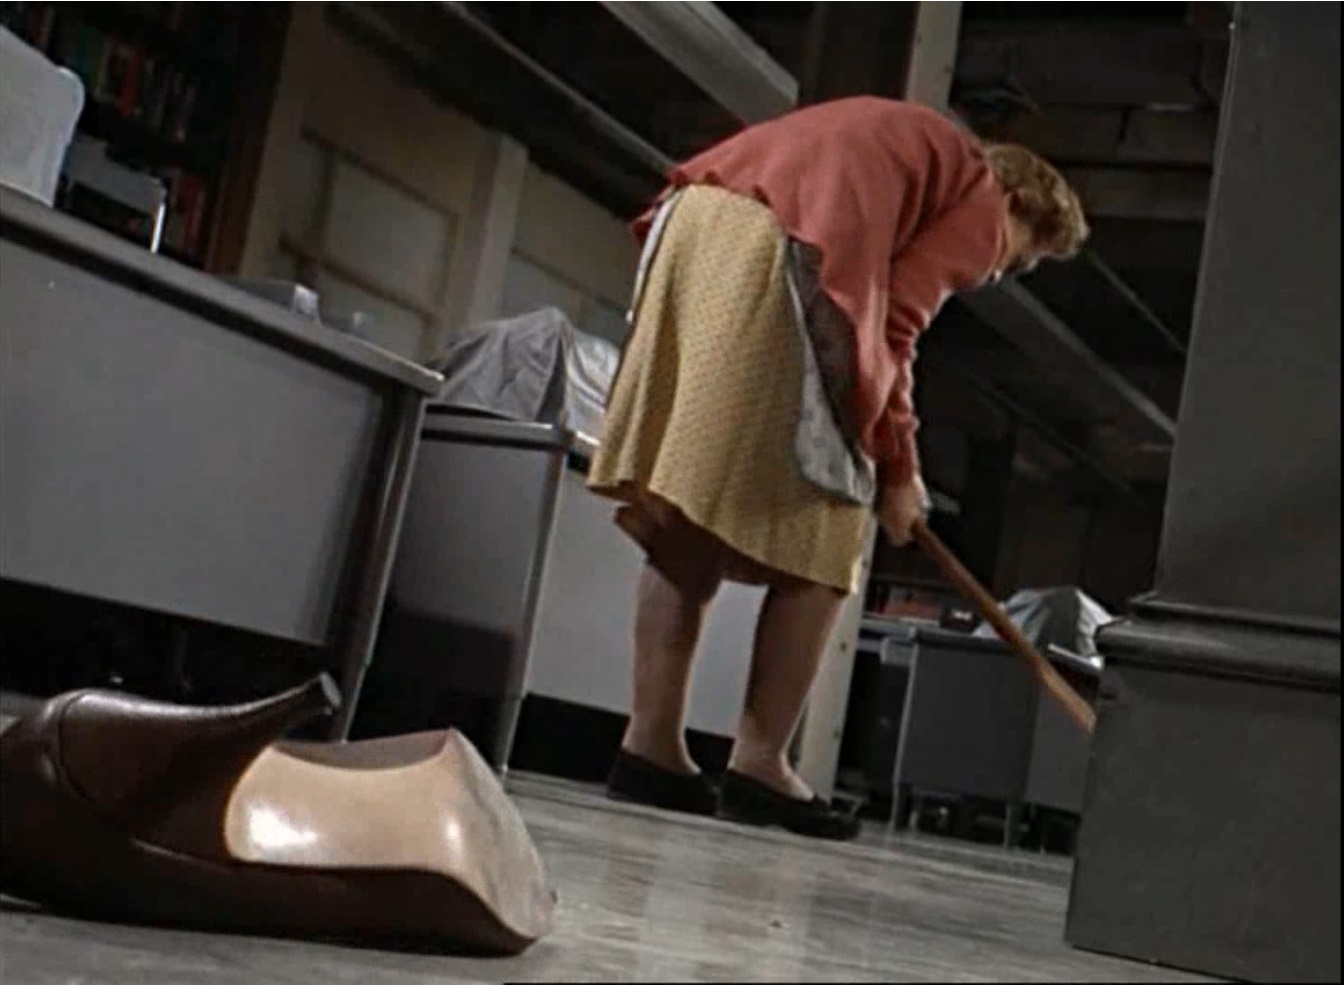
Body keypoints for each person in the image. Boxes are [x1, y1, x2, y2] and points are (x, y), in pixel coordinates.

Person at [588, 96, 1088, 840]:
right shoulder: (983, 194)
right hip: (779, 244)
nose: (1002, 271)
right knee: (830, 530)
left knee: (690, 505)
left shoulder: (920, 157)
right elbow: (895, 326)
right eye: (1023, 255)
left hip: (699, 224)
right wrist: (898, 469)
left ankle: (650, 749)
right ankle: (761, 762)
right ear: (1019, 201)